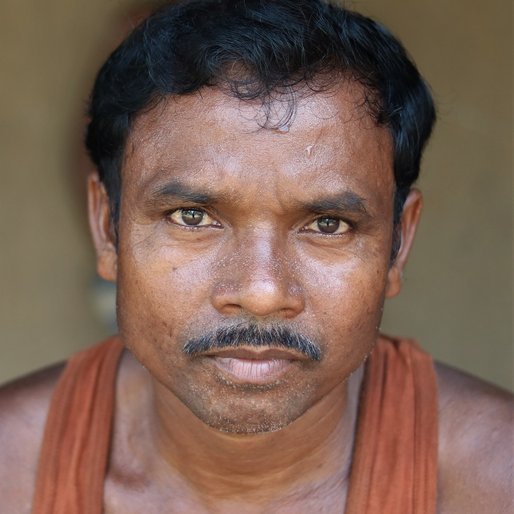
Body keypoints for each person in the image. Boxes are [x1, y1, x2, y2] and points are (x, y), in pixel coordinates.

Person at [0, 1, 511, 513]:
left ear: (399, 244)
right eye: (192, 217)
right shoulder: (11, 469)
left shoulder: (494, 479)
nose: (262, 292)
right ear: (106, 228)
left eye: (327, 224)